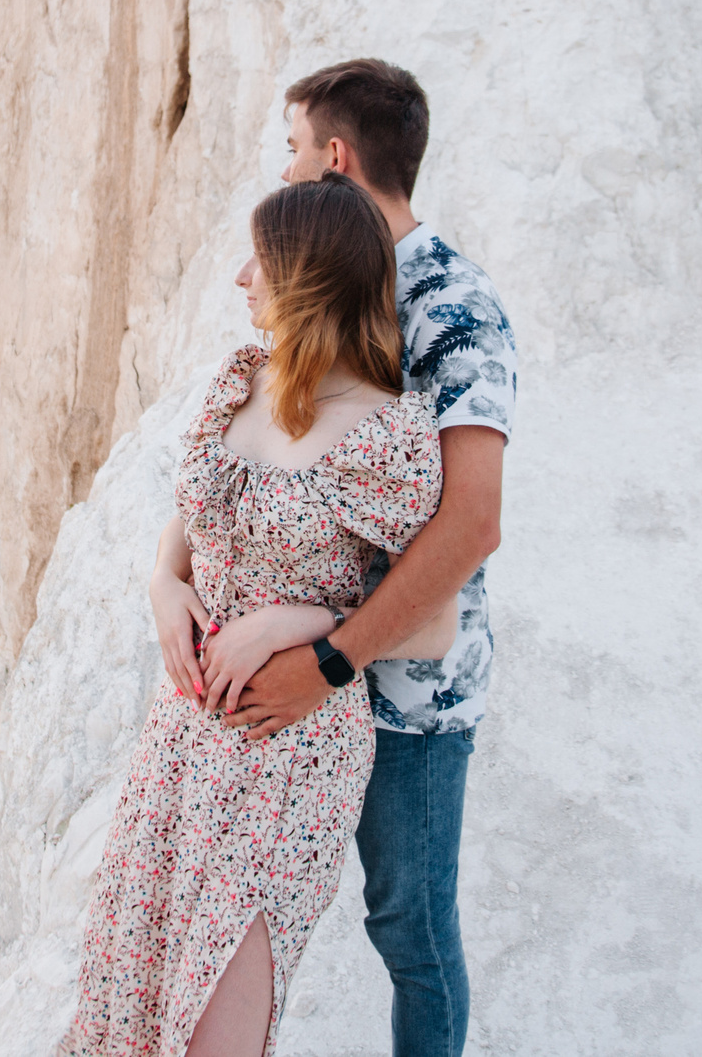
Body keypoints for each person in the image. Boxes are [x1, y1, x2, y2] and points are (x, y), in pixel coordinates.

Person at [60, 173, 445, 1057]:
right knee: (132, 998)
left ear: (307, 277)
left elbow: (430, 625)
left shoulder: (385, 436)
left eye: (260, 261)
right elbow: (194, 519)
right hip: (183, 741)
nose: (241, 276)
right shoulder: (243, 381)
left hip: (291, 754)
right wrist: (164, 578)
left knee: (214, 1034)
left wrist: (295, 621)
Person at [222, 58, 516, 1057]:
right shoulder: (325, 273)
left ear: (334, 158)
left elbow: (471, 523)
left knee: (408, 927)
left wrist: (331, 660)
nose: (289, 168)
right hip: (310, 673)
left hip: (403, 692)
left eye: (295, 149)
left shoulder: (452, 307)